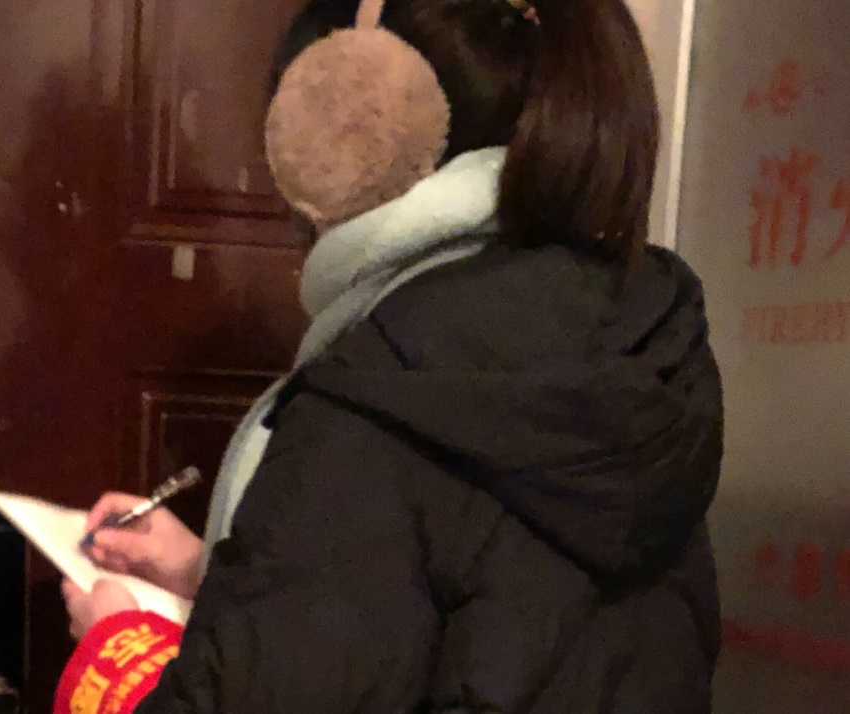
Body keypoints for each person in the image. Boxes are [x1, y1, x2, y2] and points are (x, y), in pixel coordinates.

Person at [58, 0, 724, 711]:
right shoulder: (641, 356)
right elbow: (493, 613)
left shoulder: (374, 400)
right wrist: (211, 575)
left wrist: (117, 655)